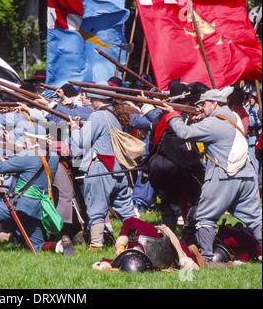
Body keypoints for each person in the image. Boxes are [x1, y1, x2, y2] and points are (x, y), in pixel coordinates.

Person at [157, 87, 262, 262]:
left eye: (204, 103)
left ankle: (206, 257)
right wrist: (202, 118)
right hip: (246, 175)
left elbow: (184, 133)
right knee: (256, 219)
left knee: (206, 216)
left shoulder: (213, 123)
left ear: (214, 104)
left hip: (224, 175)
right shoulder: (232, 116)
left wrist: (173, 115)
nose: (201, 107)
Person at [0, 125, 74, 256]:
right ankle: (59, 246)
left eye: (26, 138)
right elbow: (30, 172)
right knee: (36, 245)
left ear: (35, 141)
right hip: (38, 208)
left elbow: (0, 168)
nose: (24, 141)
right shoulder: (53, 157)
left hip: (21, 205)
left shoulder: (27, 155)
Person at [69, 82, 137, 251]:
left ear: (97, 98)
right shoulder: (113, 114)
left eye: (91, 96)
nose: (89, 99)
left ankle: (96, 245)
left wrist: (74, 127)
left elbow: (82, 141)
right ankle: (139, 238)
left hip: (101, 168)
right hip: (118, 169)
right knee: (126, 210)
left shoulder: (98, 116)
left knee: (96, 207)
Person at [142, 82, 204, 239]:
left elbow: (151, 145)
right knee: (196, 200)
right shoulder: (183, 119)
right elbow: (189, 148)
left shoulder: (159, 119)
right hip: (177, 166)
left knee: (167, 206)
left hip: (156, 166)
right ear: (184, 102)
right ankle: (190, 238)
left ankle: (166, 240)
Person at [91, 217, 204, 272]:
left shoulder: (154, 261)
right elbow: (117, 262)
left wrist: (120, 245)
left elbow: (128, 222)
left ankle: (195, 255)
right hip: (164, 244)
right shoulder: (148, 261)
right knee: (182, 258)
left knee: (187, 259)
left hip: (166, 237)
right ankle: (192, 252)